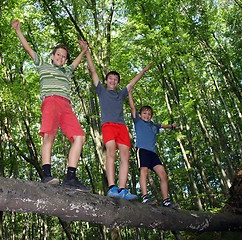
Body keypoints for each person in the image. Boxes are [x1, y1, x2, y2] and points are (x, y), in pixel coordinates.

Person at [11, 19, 90, 192]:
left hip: (66, 105)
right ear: (52, 56)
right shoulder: (43, 66)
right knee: (49, 136)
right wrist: (18, 31)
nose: (61, 58)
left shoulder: (67, 71)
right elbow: (28, 49)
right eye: (58, 55)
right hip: (51, 101)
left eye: (64, 56)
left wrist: (84, 51)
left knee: (80, 138)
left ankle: (71, 177)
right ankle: (46, 174)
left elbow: (75, 63)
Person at [85, 48, 152, 200]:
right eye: (110, 78)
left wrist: (144, 70)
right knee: (110, 152)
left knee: (125, 156)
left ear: (117, 82)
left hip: (121, 127)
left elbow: (133, 82)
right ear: (106, 80)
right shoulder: (101, 91)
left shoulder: (121, 94)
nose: (113, 81)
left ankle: (122, 189)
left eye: (116, 79)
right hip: (108, 125)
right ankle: (112, 187)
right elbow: (93, 71)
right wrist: (87, 52)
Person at [128, 90, 177, 207]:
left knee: (163, 175)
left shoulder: (153, 125)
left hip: (153, 153)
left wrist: (172, 126)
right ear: (140, 115)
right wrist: (129, 93)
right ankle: (145, 197)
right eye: (144, 113)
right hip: (143, 150)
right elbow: (133, 108)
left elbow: (162, 126)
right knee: (144, 171)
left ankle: (165, 200)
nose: (147, 115)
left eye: (149, 114)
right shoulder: (138, 121)